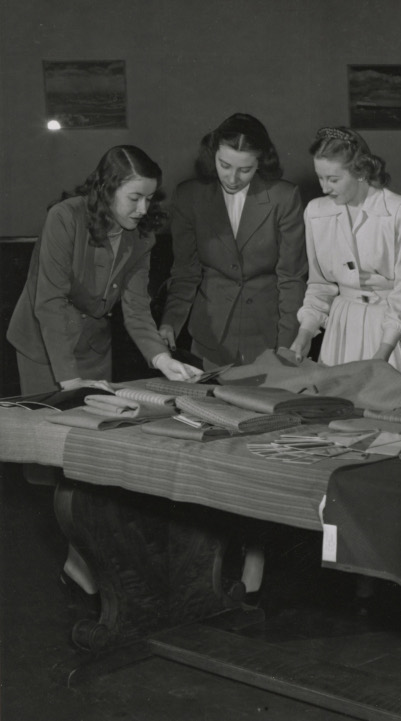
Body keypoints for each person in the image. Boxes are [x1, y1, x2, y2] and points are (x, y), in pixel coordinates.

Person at [6, 144, 201, 594]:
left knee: (92, 455)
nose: (143, 208)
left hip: (93, 346)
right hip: (43, 345)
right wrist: (70, 380)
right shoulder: (65, 217)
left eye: (150, 198)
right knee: (55, 460)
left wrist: (161, 357)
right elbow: (49, 303)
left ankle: (84, 559)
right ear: (108, 189)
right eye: (134, 197)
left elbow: (135, 308)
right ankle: (76, 559)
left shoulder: (143, 235)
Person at [159, 113, 307, 368]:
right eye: (224, 165)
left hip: (269, 334)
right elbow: (185, 271)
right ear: (212, 155)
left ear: (261, 163)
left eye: (245, 169)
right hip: (210, 335)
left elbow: (291, 278)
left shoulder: (284, 197)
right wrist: (170, 322)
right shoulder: (188, 196)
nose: (232, 178)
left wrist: (287, 344)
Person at [290, 127, 401, 380]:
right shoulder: (315, 212)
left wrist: (383, 352)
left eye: (333, 179)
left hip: (389, 331)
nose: (324, 188)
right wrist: (305, 333)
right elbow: (320, 285)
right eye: (320, 178)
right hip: (341, 329)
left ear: (362, 172)